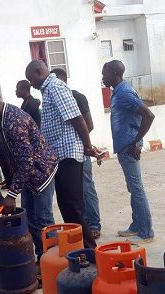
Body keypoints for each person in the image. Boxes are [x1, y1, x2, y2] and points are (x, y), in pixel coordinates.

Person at [0, 89, 56, 260]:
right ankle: (42, 257)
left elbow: (27, 161)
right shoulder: (2, 117)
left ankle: (54, 261)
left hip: (41, 173)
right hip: (27, 176)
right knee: (29, 219)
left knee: (43, 221)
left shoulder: (13, 121)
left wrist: (11, 194)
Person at [25, 60, 97, 249]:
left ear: (40, 71)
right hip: (59, 154)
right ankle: (80, 250)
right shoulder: (47, 90)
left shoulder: (56, 87)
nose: (30, 84)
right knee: (66, 206)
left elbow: (76, 117)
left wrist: (87, 146)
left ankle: (90, 251)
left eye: (30, 79)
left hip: (69, 153)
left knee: (73, 207)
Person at [101, 61, 156, 244]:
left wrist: (135, 142)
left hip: (128, 147)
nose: (103, 77)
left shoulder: (124, 92)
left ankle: (146, 231)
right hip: (124, 146)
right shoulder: (118, 91)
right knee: (133, 188)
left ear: (114, 73)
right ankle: (136, 225)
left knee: (137, 189)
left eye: (105, 73)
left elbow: (148, 115)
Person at [51, 68, 102, 240]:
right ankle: (83, 225)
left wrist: (82, 143)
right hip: (65, 152)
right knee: (74, 194)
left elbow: (88, 124)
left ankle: (93, 224)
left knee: (86, 186)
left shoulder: (76, 96)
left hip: (79, 149)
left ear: (62, 81)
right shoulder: (52, 98)